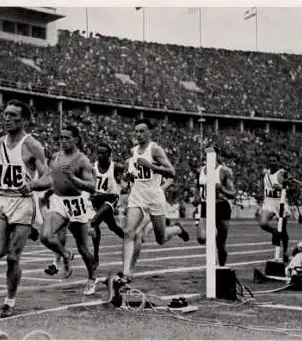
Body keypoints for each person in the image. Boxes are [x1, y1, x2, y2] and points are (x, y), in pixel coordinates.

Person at [0, 99, 47, 318]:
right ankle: (18, 235)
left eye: (14, 115)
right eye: (5, 114)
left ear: (24, 120)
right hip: (2, 200)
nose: (8, 119)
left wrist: (32, 184)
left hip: (23, 203)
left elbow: (47, 177)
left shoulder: (32, 145)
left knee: (13, 257)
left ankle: (10, 300)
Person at [118, 119, 188, 283]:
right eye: (136, 131)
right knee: (129, 231)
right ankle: (126, 272)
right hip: (137, 196)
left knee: (160, 239)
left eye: (142, 131)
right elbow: (134, 174)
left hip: (154, 197)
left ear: (150, 132)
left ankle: (177, 229)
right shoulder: (134, 150)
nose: (138, 135)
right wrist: (129, 176)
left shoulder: (155, 149)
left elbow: (171, 172)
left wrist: (152, 167)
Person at [32, 125, 98, 295]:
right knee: (45, 236)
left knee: (83, 248)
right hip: (59, 201)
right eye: (61, 138)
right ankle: (65, 254)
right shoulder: (55, 156)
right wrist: (33, 186)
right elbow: (48, 178)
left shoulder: (82, 160)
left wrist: (73, 178)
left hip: (76, 203)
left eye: (67, 138)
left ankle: (92, 278)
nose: (63, 141)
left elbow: (92, 187)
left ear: (76, 139)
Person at [194, 147, 236, 267]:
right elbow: (198, 186)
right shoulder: (200, 170)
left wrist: (221, 188)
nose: (207, 157)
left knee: (221, 244)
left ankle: (222, 267)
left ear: (216, 156)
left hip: (221, 206)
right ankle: (213, 233)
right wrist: (197, 196)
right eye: (205, 155)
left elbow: (232, 193)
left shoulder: (224, 171)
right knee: (201, 238)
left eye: (210, 155)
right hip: (206, 205)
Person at [89, 142, 125, 266]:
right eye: (98, 153)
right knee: (113, 227)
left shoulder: (115, 167)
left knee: (94, 222)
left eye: (103, 153)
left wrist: (127, 181)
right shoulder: (92, 166)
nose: (100, 155)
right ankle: (128, 238)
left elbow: (129, 170)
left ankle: (95, 259)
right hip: (97, 200)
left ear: (109, 155)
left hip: (110, 199)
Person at [258, 154, 291, 262]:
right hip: (268, 202)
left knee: (284, 231)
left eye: (274, 161)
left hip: (280, 203)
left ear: (278, 162)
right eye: (271, 160)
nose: (272, 162)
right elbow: (263, 184)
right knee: (263, 224)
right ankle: (274, 232)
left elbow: (291, 188)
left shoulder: (281, 173)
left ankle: (285, 252)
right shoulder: (265, 173)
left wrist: (282, 187)